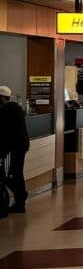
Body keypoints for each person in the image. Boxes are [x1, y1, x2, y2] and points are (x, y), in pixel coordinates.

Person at [0, 86, 30, 217]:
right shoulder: (17, 108)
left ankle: (20, 198)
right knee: (16, 172)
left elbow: (4, 132)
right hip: (21, 146)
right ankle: (20, 200)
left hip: (13, 147)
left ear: (1, 98)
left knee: (10, 174)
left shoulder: (6, 111)